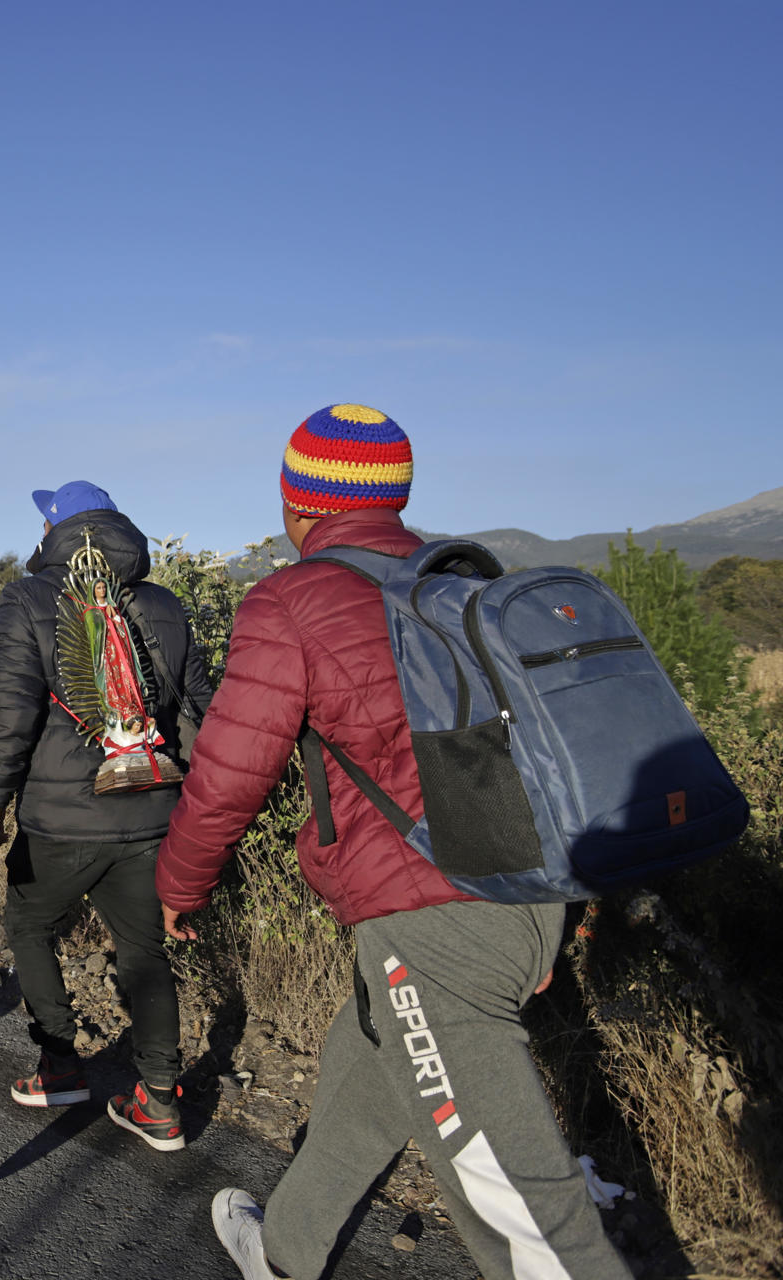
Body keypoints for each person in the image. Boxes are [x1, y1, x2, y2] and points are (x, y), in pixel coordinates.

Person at [155, 405, 632, 1280]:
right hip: (529, 889)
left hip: (432, 915)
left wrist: (182, 882)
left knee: (520, 1201)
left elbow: (229, 772)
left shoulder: (294, 598)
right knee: (370, 1056)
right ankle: (287, 1251)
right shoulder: (463, 584)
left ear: (300, 501)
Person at [0, 481, 214, 1149]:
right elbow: (203, 709)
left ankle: (60, 1064)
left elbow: (9, 713)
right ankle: (160, 1098)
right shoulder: (163, 604)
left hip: (60, 820)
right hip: (152, 814)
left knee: (28, 921)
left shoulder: (27, 599)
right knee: (144, 950)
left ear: (55, 530)